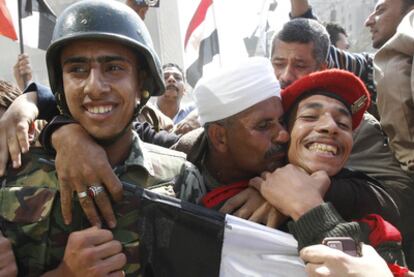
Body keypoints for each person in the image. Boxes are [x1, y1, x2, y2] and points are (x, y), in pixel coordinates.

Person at [0, 1, 204, 276]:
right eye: (78, 70)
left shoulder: (180, 178)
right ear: (60, 84)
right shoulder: (12, 167)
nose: (94, 87)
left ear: (141, 82)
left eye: (114, 68)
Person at [271, 17, 414, 264]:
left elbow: (403, 202)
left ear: (323, 66)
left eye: (300, 64)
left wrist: (315, 192)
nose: (285, 75)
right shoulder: (265, 113)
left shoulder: (362, 126)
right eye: (279, 63)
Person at [250, 69, 407, 274]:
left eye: (343, 124)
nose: (330, 127)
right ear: (285, 133)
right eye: (309, 116)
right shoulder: (240, 198)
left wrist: (307, 204)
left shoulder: (376, 224)